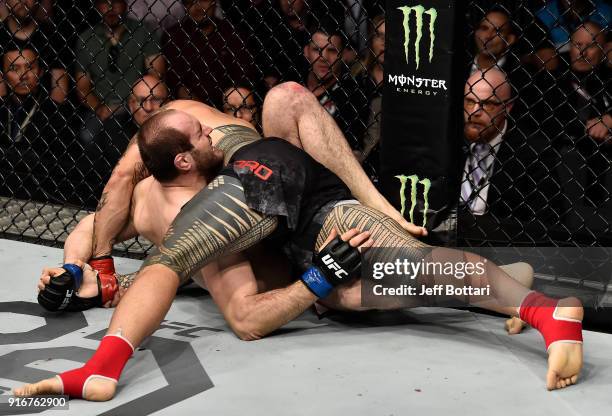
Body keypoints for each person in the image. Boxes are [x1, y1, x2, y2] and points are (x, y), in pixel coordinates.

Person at [75, 0, 164, 143]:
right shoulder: (86, 38)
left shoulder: (143, 31)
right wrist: (100, 109)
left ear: (125, 4)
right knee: (88, 136)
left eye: (115, 2)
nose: (110, 7)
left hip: (138, 103)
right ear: (97, 6)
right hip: (101, 105)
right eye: (104, 2)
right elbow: (82, 87)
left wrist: (137, 102)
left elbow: (156, 76)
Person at [0, 46, 73, 200]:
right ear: (4, 76)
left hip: (43, 194)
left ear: (40, 72)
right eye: (14, 68)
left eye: (29, 67)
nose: (23, 75)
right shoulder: (2, 110)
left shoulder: (55, 113)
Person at [162, 0, 255, 107]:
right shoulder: (174, 36)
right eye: (189, 2)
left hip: (231, 107)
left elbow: (244, 79)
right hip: (190, 109)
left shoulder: (233, 34)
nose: (197, 7)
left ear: (214, 2)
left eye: (203, 0)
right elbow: (176, 84)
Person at [302, 22, 368, 151]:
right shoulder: (292, 84)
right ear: (306, 52)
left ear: (342, 56)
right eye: (317, 50)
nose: (324, 57)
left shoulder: (352, 98)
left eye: (332, 51)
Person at [0, 0, 69, 103]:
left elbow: (59, 92)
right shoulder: (1, 36)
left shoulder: (54, 37)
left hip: (46, 113)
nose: (22, 0)